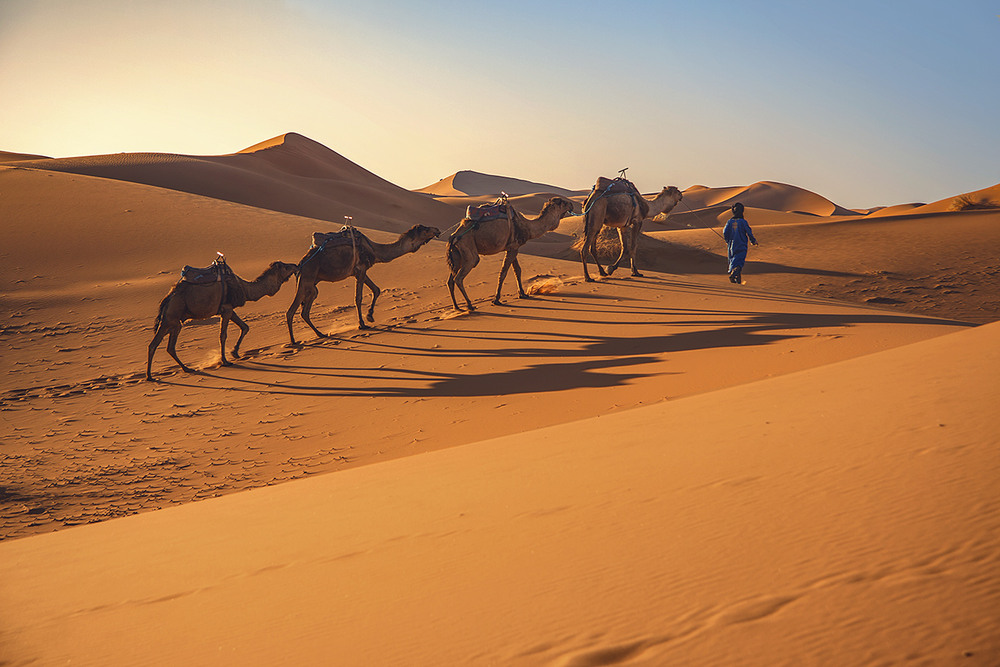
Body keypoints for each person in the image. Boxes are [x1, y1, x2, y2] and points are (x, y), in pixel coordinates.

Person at [723, 202, 757, 284]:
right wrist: (753, 240)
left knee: (733, 260)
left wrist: (727, 240)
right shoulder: (743, 222)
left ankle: (738, 281)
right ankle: (734, 274)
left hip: (731, 245)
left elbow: (725, 232)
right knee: (739, 261)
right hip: (741, 244)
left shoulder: (729, 222)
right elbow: (749, 232)